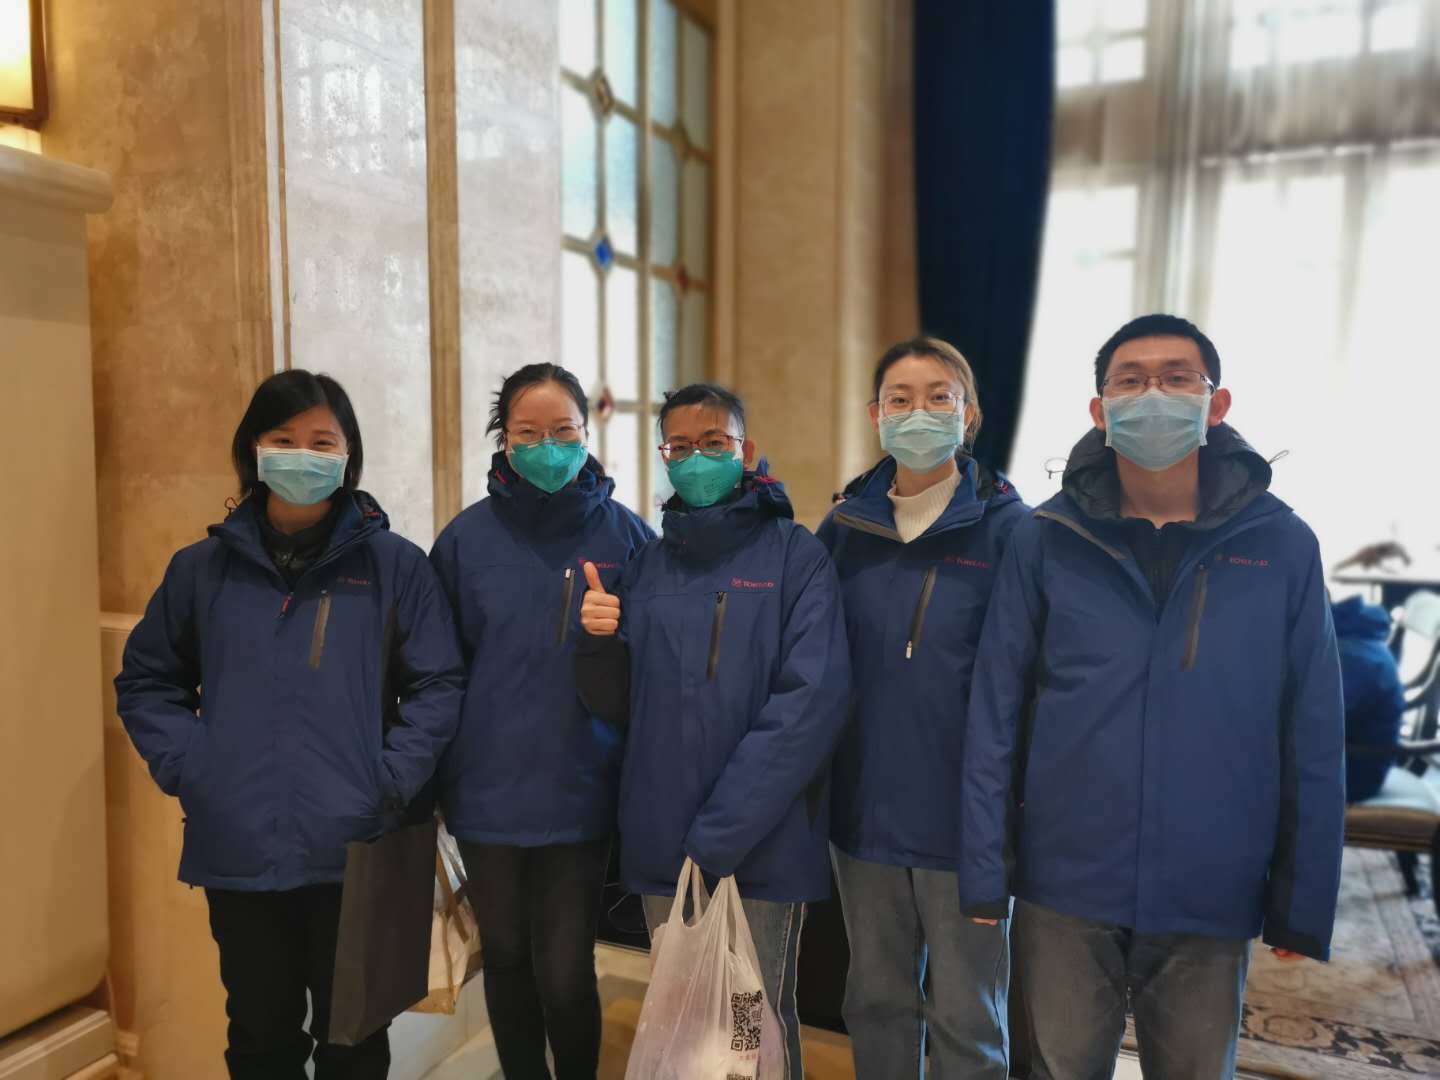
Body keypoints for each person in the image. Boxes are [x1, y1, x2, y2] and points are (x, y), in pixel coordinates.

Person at [959, 314, 1345, 1080]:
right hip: (1067, 879)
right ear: (1100, 411)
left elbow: (1313, 729)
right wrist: (984, 870)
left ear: (1217, 403)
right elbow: (996, 712)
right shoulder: (1045, 538)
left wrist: (1301, 899)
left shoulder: (1281, 544)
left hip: (1213, 880)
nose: (1154, 395)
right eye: (1130, 381)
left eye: (1177, 378)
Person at [115, 370, 464, 1080]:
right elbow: (148, 680)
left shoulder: (395, 567)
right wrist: (195, 768)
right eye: (283, 439)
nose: (303, 455)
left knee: (354, 1040)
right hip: (239, 848)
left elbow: (439, 684)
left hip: (357, 847)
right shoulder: (202, 571)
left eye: (322, 442)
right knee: (259, 1039)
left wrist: (386, 780)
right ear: (253, 449)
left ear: (348, 455)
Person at [574, 383, 851, 1080]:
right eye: (681, 446)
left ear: (745, 450)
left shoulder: (795, 558)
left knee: (752, 1024)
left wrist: (722, 831)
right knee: (684, 1019)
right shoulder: (648, 564)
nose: (697, 458)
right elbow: (619, 706)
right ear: (664, 455)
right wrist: (598, 644)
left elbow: (810, 703)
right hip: (664, 845)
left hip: (762, 846)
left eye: (714, 443)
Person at [428, 364, 653, 1080]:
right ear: (503, 439)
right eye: (529, 433)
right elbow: (436, 670)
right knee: (507, 957)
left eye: (563, 431)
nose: (547, 447)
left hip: (581, 788)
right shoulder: (465, 541)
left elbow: (653, 672)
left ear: (587, 433)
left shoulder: (628, 536)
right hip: (485, 793)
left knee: (564, 968)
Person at [817, 337, 1026, 1078]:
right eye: (900, 399)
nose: (919, 412)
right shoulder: (845, 529)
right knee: (876, 999)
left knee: (969, 1015)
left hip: (966, 820)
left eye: (940, 396)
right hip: (864, 811)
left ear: (968, 415)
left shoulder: (1013, 532)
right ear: (876, 415)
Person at [1332, 594, 1405, 802]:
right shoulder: (1353, 638)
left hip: (1355, 773)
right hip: (1352, 759)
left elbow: (1317, 722)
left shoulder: (1352, 656)